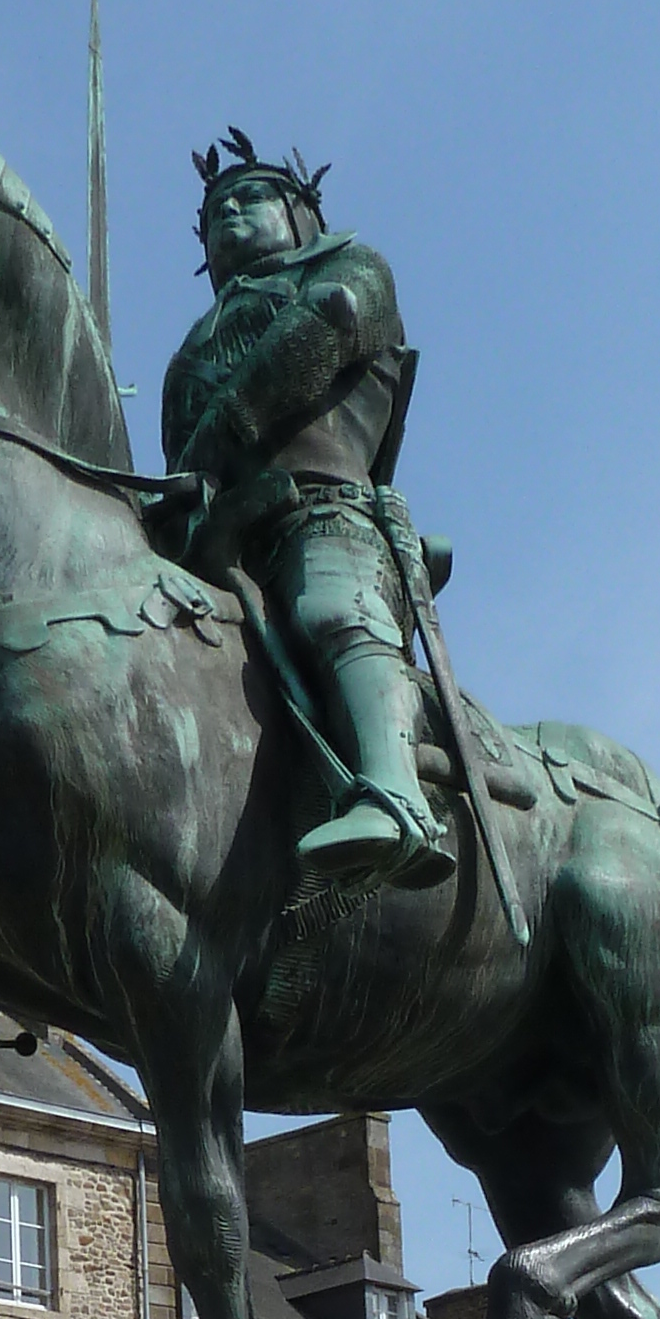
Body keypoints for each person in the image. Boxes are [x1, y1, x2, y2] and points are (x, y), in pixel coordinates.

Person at [154, 134, 452, 887]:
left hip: (326, 514)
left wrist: (225, 432)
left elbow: (331, 321)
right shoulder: (186, 357)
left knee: (329, 606)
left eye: (250, 197)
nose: (230, 213)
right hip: (222, 547)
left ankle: (397, 798)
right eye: (216, 209)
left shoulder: (353, 269)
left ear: (302, 212)